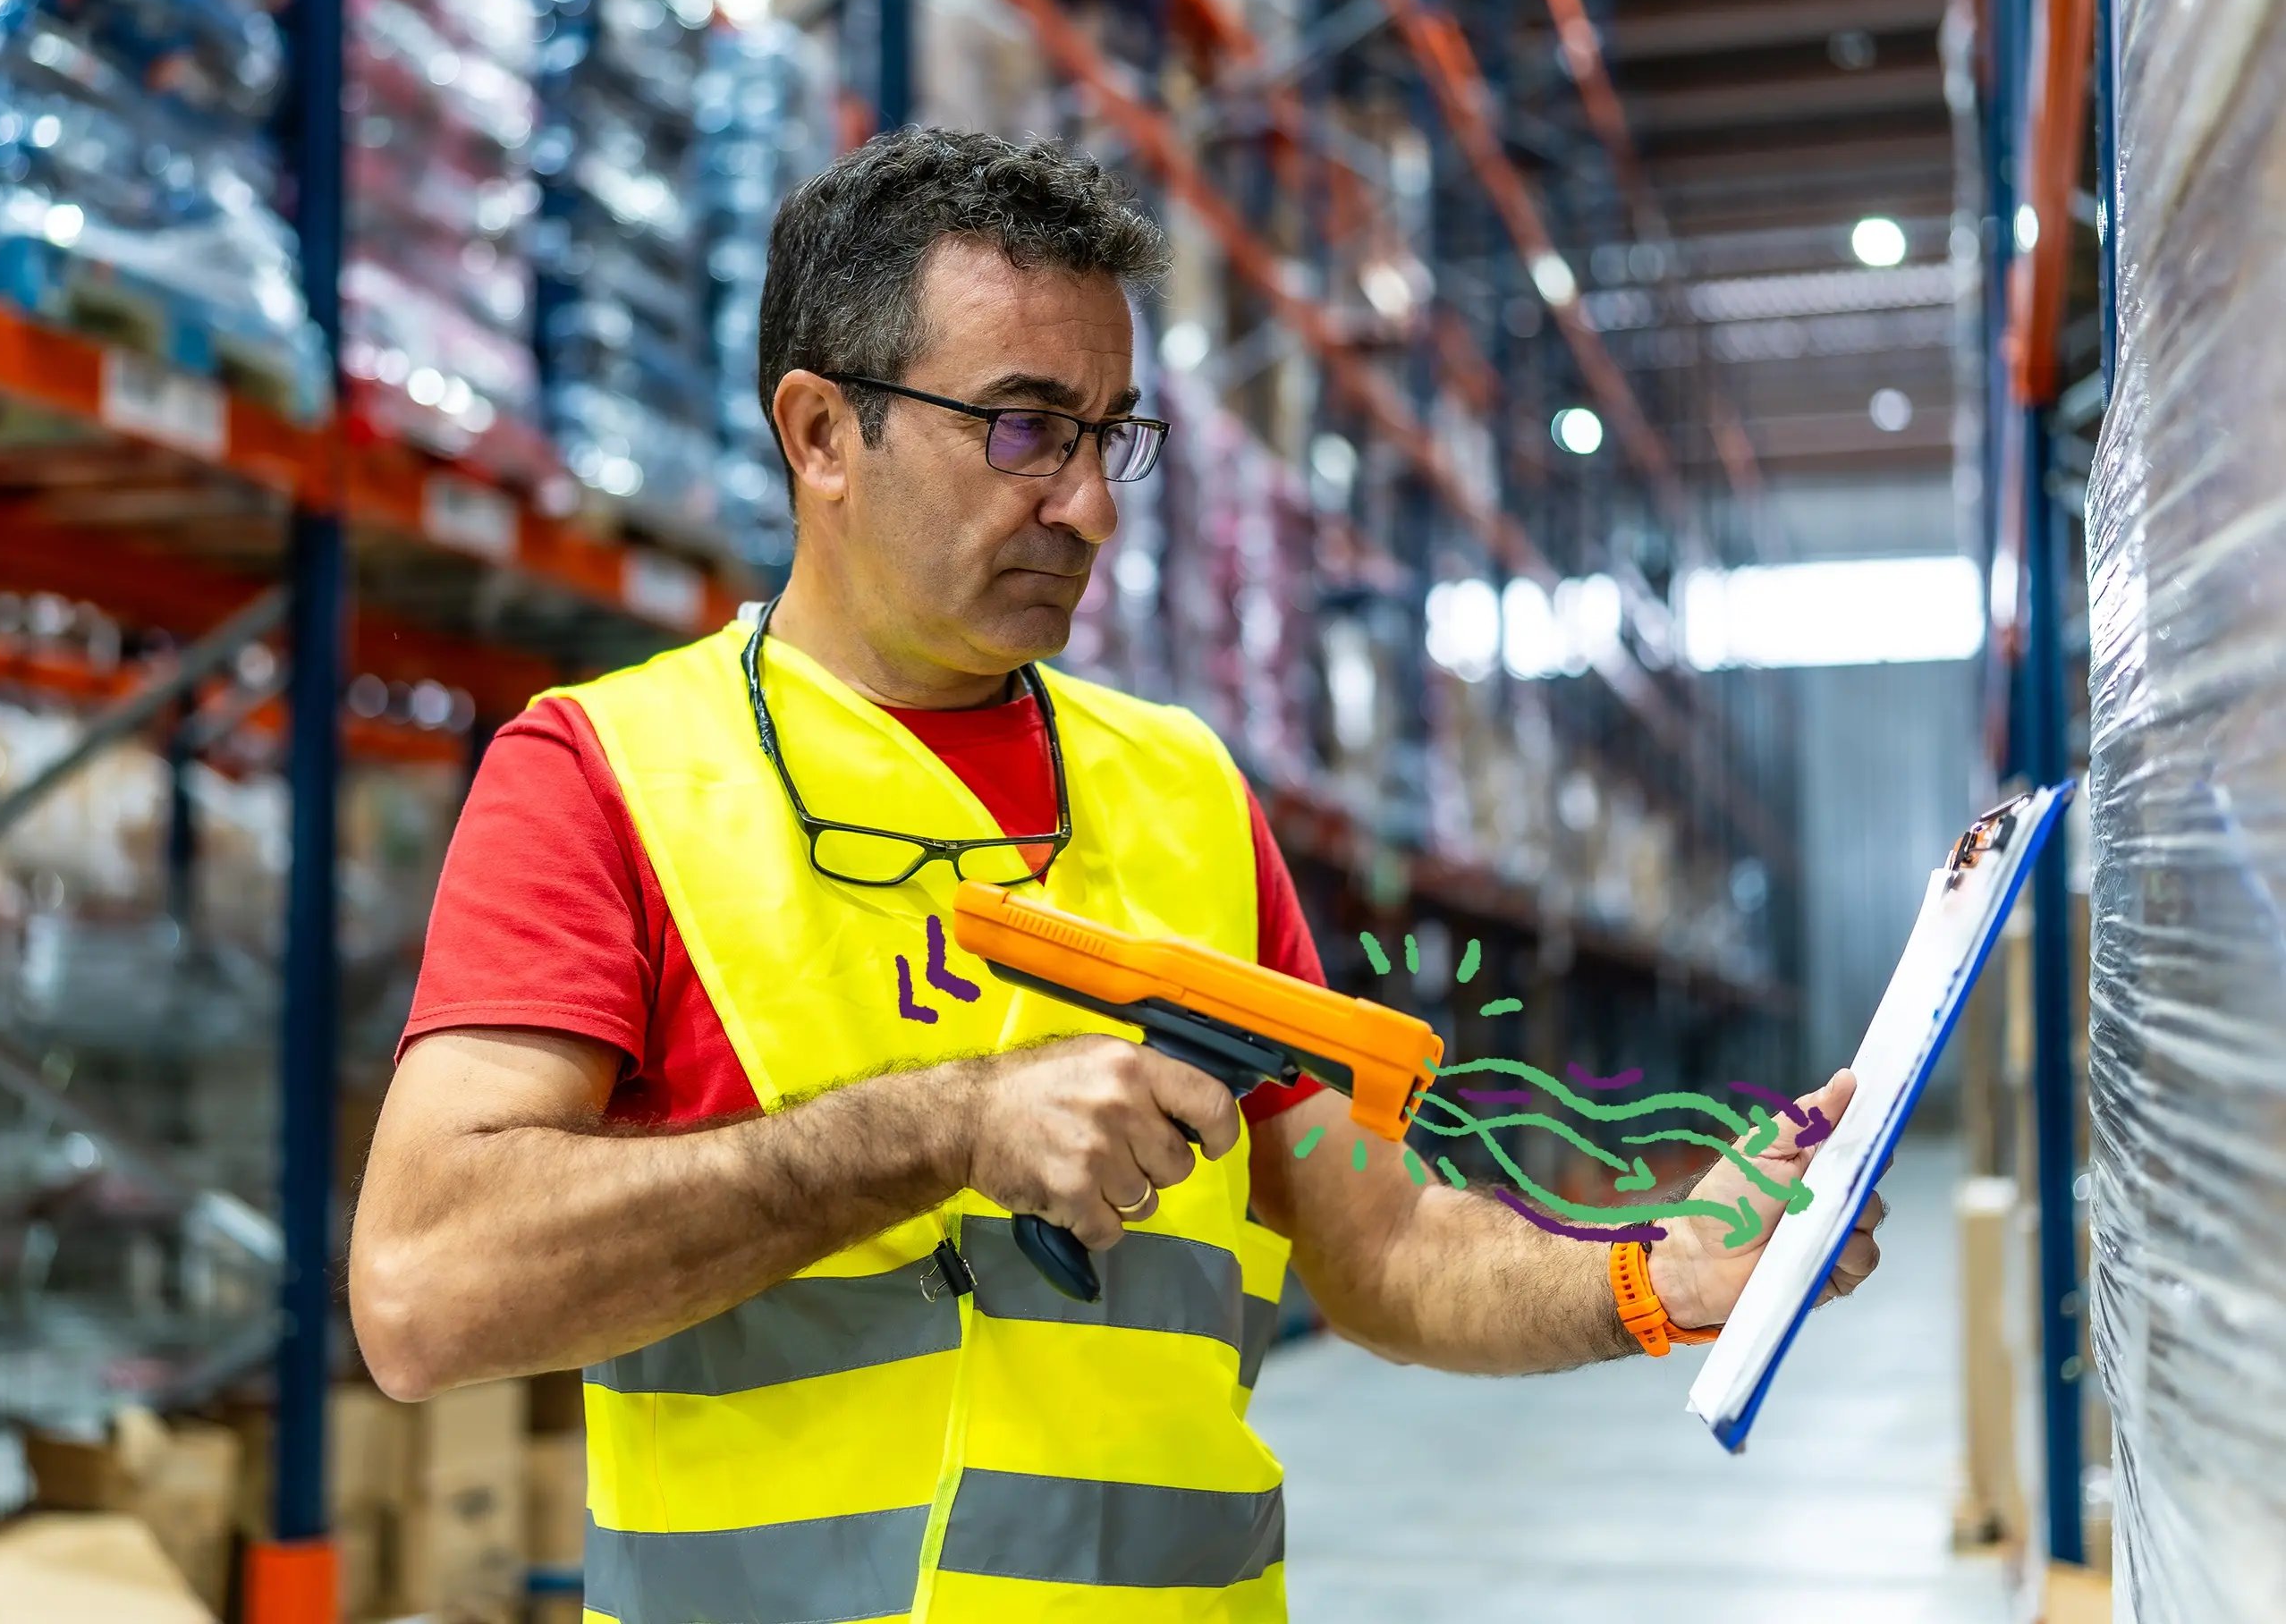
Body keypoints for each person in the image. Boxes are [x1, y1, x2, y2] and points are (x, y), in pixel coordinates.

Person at [351, 127, 1882, 1622]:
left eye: (1109, 435)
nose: (1086, 505)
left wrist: (1652, 1274)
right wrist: (937, 1129)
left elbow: (1388, 1245)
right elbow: (425, 1289)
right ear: (822, 433)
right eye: (1024, 428)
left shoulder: (1189, 793)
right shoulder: (608, 777)